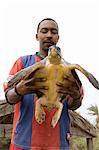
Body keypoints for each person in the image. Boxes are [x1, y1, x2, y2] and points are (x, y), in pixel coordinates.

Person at [4, 18, 84, 150]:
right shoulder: (23, 63)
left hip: (59, 143)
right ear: (37, 36)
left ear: (58, 37)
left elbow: (74, 104)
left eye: (53, 32)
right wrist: (19, 89)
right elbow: (9, 97)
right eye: (44, 31)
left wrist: (76, 95)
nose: (49, 35)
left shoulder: (68, 69)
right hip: (23, 142)